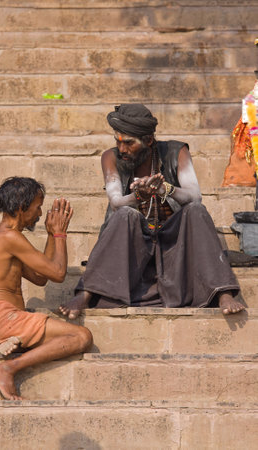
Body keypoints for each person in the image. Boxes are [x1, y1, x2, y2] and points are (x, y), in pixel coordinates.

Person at [59, 103, 245, 319]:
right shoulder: (110, 157)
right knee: (125, 214)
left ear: (148, 140)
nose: (122, 149)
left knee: (196, 210)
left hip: (175, 247)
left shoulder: (177, 152)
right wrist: (139, 197)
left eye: (129, 143)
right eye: (118, 142)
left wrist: (165, 189)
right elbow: (116, 202)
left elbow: (195, 195)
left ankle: (223, 292)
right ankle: (85, 294)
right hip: (134, 247)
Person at [0, 177, 92, 400]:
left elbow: (40, 277)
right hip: (2, 319)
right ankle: (7, 369)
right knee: (81, 336)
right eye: (38, 207)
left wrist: (49, 235)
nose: (40, 214)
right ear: (22, 207)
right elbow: (58, 273)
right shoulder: (11, 238)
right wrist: (59, 234)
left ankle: (6, 342)